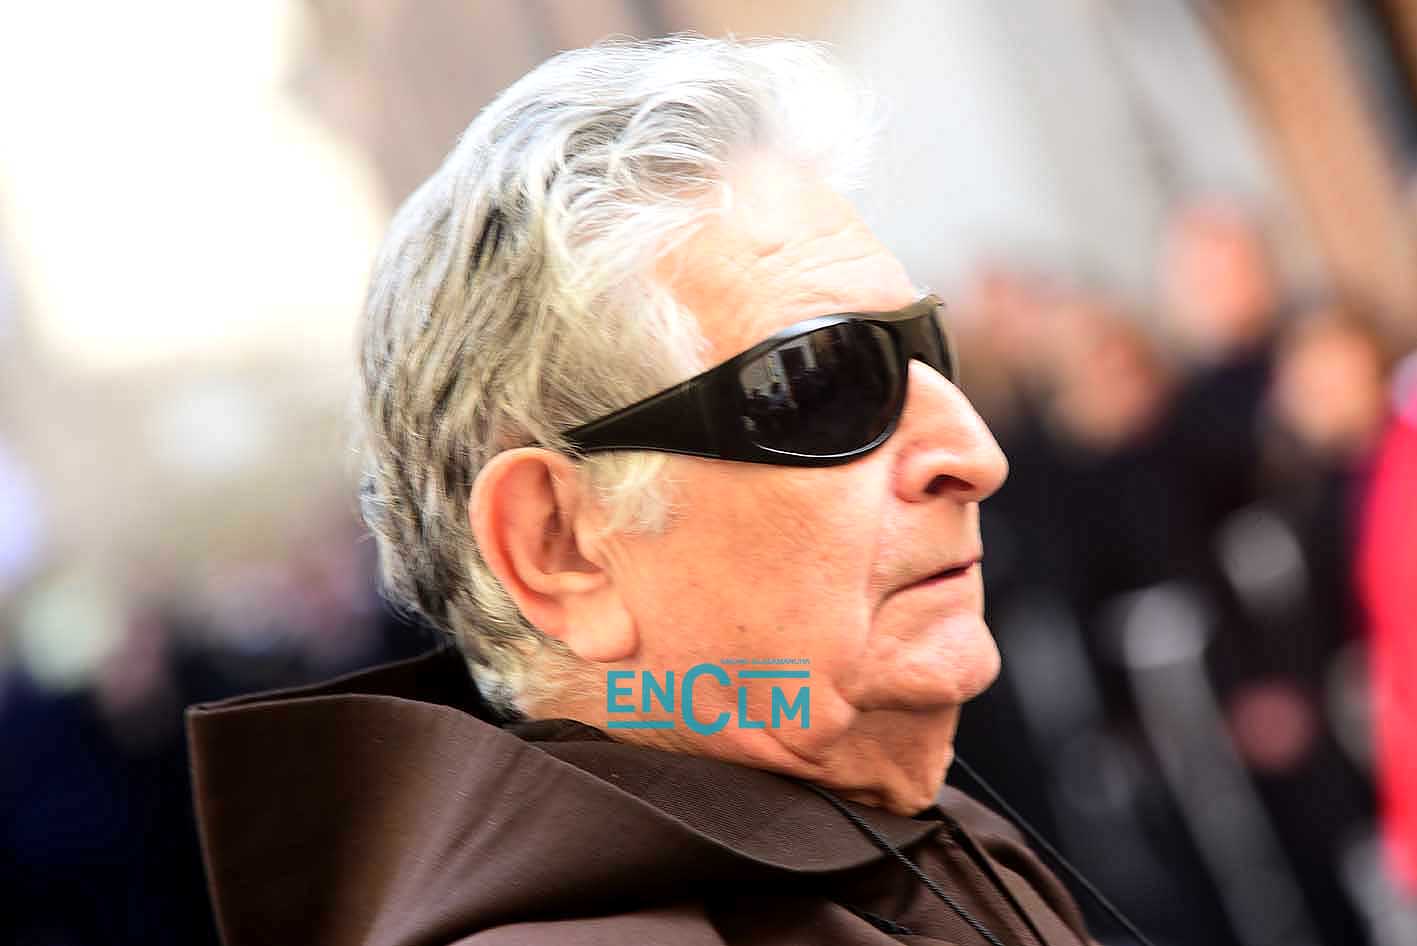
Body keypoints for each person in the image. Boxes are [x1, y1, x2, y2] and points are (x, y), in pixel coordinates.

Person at [186, 37, 1104, 946]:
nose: (973, 454)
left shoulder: (940, 843)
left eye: (926, 350)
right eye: (820, 380)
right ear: (560, 547)